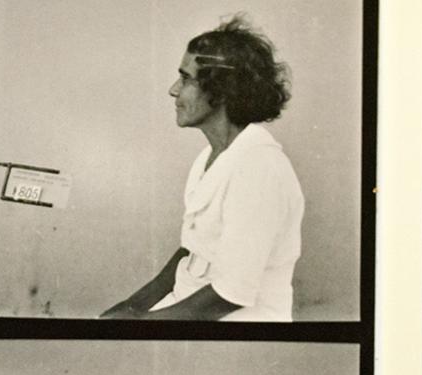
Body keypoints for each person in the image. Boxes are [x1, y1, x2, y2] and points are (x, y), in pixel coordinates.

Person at [101, 16, 303, 322]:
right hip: (188, 310)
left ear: (220, 91)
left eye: (185, 79)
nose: (173, 90)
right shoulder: (211, 158)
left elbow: (231, 294)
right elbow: (190, 253)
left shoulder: (260, 169)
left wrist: (140, 326)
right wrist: (130, 307)